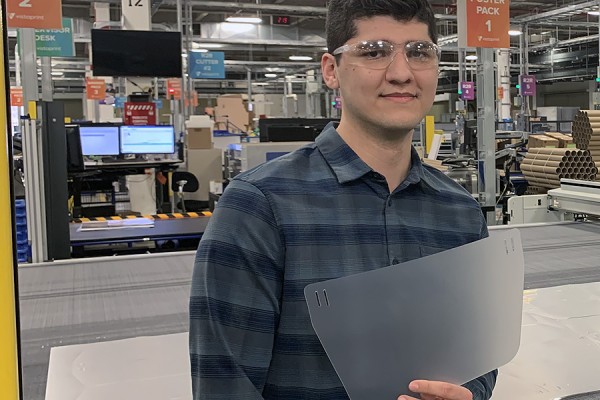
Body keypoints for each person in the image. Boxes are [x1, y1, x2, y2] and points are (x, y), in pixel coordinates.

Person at [189, 1, 497, 399]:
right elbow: (226, 386)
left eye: (419, 52)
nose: (401, 73)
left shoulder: (459, 213)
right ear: (331, 70)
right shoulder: (260, 207)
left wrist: (469, 393)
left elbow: (477, 356)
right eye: (374, 52)